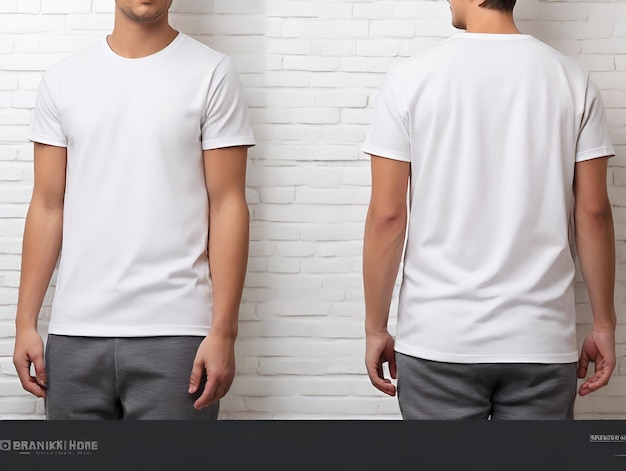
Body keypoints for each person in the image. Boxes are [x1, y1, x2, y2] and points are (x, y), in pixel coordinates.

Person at [362, 0, 616, 420]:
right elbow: (592, 213)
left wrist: (375, 328)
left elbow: (388, 216)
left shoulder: (409, 80)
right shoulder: (573, 79)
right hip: (541, 340)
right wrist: (604, 325)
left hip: (437, 339)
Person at [13, 0, 255, 420]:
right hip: (75, 334)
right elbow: (48, 205)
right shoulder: (63, 80)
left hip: (178, 334)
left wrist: (224, 332)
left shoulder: (211, 72)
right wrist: (25, 323)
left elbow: (228, 204)